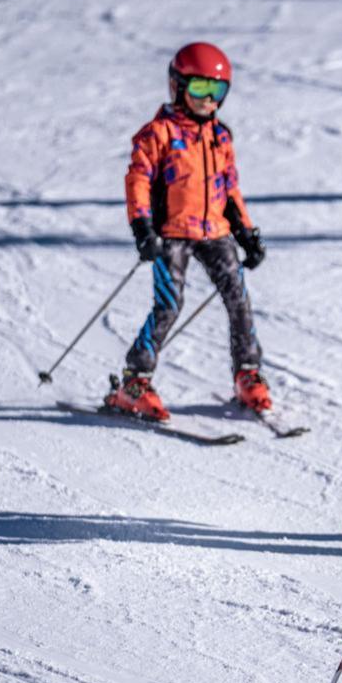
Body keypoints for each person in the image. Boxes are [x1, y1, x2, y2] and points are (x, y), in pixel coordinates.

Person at [105, 41, 270, 423]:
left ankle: (247, 373)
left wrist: (246, 232)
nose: (208, 100)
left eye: (218, 91)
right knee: (169, 304)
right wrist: (142, 227)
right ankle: (134, 382)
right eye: (200, 90)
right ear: (177, 87)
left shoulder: (220, 136)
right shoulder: (158, 133)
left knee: (238, 298)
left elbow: (229, 188)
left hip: (215, 229)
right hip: (170, 232)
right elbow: (138, 180)